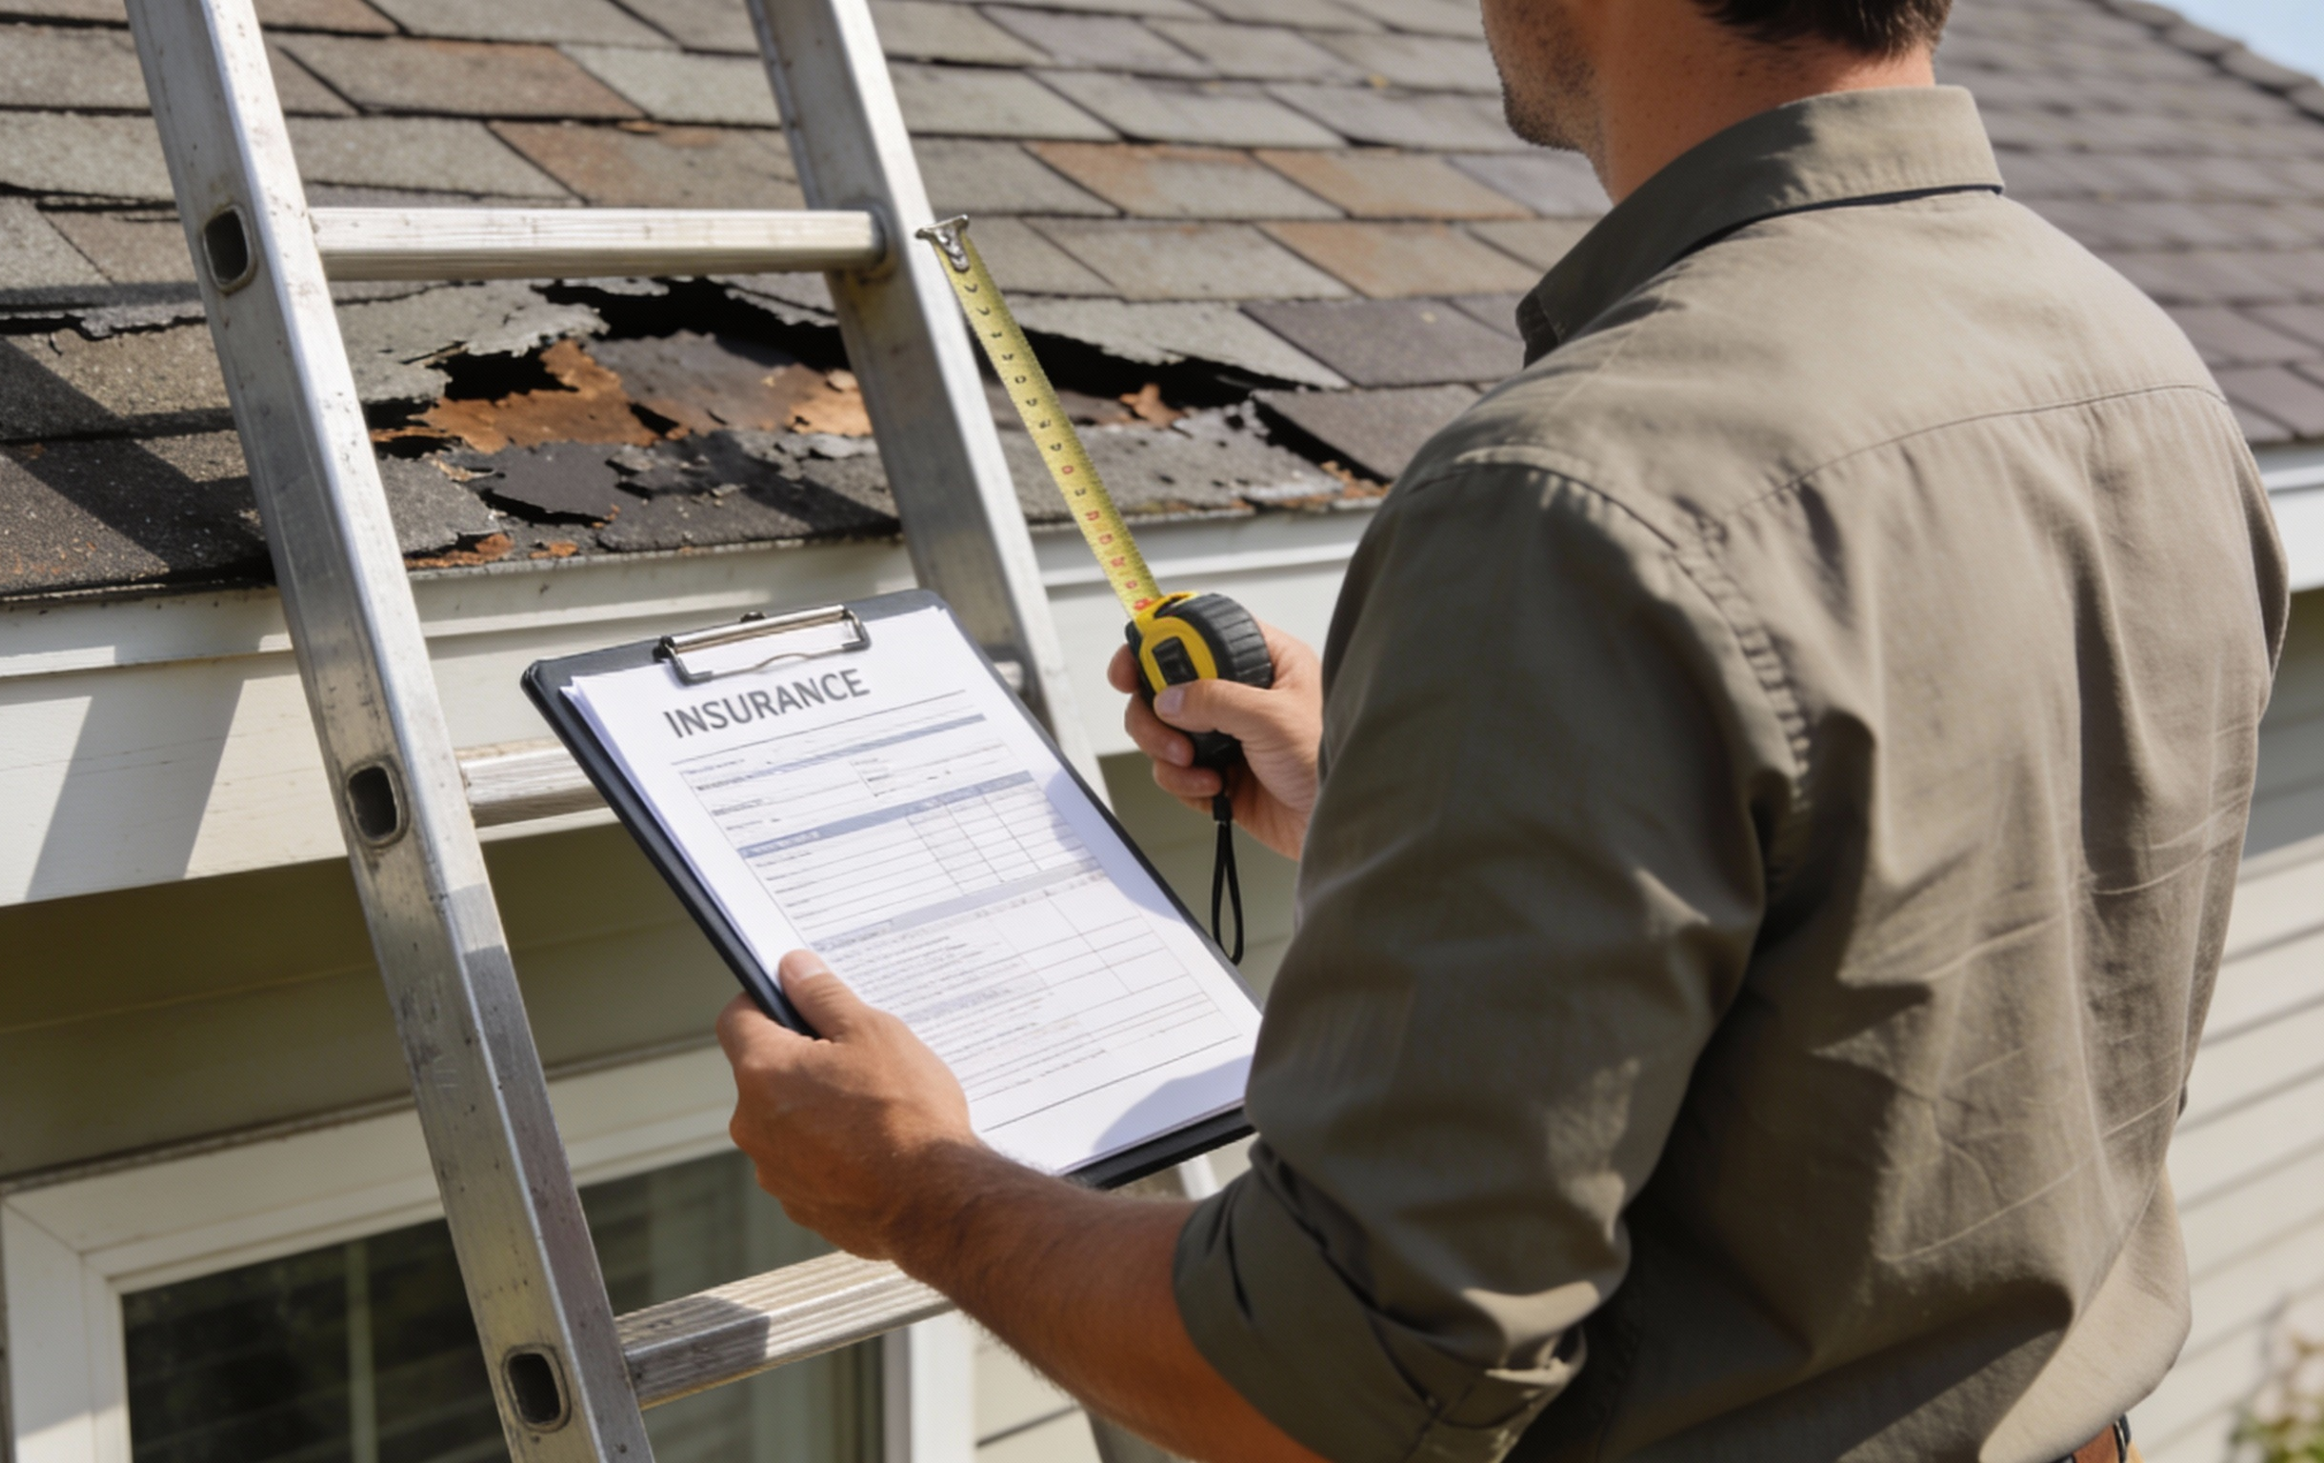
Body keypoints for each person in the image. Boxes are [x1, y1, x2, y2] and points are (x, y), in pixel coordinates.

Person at [715, 0, 2291, 1454]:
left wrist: (919, 1188)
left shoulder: (1566, 500)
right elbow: (1899, 931)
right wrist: (1422, 807)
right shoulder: (2136, 366)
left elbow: (1334, 1386)